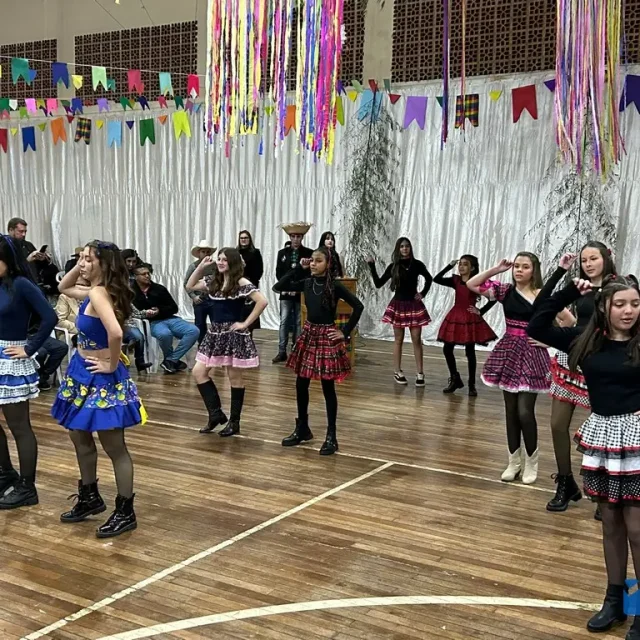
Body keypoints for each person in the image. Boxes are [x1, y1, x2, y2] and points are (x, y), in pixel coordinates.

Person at [528, 274, 640, 639]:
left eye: (635, 304)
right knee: (611, 524)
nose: (628, 311)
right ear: (604, 307)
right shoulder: (585, 340)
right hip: (604, 437)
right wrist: (569, 291)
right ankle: (614, 601)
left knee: (637, 528)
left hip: (637, 439)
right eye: (620, 304)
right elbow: (536, 324)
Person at [52, 241, 145, 538]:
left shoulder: (98, 293)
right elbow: (63, 287)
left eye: (88, 259)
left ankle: (125, 511)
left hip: (100, 377)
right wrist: (81, 266)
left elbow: (116, 332)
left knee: (114, 446)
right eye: (80, 258)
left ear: (104, 264)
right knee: (79, 437)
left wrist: (111, 363)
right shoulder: (95, 290)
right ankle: (90, 496)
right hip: (82, 372)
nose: (82, 263)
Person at [467, 253, 564, 485]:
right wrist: (496, 269)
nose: (519, 270)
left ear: (534, 270)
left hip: (532, 355)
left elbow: (568, 321)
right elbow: (471, 284)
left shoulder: (542, 295)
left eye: (525, 267)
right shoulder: (505, 291)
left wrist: (549, 340)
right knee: (510, 411)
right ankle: (513, 462)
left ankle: (532, 461)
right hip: (508, 352)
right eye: (517, 266)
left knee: (524, 412)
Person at [535, 242, 615, 518]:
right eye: (584, 260)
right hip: (571, 358)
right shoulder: (580, 286)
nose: (588, 264)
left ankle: (604, 492)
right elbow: (541, 304)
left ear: (606, 258)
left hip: (601, 363)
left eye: (593, 258)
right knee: (557, 424)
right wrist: (561, 271)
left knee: (603, 430)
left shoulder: (620, 285)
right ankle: (566, 483)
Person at [274, 246, 363, 455]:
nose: (313, 264)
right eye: (312, 260)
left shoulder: (335, 286)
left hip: (326, 335)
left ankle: (331, 435)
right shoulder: (307, 282)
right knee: (301, 383)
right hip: (309, 334)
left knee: (327, 387)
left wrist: (344, 332)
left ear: (328, 264)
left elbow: (358, 306)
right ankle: (302, 428)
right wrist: (299, 268)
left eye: (318, 261)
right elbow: (279, 286)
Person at [0, 235, 57, 509]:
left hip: (11, 358)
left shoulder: (21, 284)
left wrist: (30, 348)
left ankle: (27, 486)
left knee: (19, 426)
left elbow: (50, 317)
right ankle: (5, 473)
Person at [187, 248, 268, 437]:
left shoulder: (240, 282)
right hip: (215, 333)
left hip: (232, 334)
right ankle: (215, 414)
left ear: (232, 262)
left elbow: (262, 301)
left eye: (224, 259)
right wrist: (201, 266)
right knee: (198, 371)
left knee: (234, 377)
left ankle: (234, 422)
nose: (220, 262)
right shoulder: (214, 281)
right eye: (219, 259)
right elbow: (190, 285)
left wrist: (245, 324)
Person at [367, 237, 432, 387]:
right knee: (398, 339)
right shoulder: (393, 266)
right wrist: (372, 265)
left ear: (410, 248)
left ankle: (420, 373)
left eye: (407, 246)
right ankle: (397, 371)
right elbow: (378, 283)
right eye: (402, 246)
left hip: (414, 305)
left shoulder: (417, 264)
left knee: (416, 338)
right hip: (398, 305)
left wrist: (423, 293)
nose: (404, 249)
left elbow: (429, 279)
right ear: (398, 249)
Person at [434, 255, 497, 396]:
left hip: (469, 318)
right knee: (447, 348)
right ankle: (455, 378)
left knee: (470, 352)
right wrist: (449, 266)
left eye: (465, 264)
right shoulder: (455, 280)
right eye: (460, 264)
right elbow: (436, 279)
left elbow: (493, 298)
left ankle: (471, 385)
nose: (461, 267)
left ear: (472, 268)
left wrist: (481, 311)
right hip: (455, 316)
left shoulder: (477, 282)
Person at [132, 263, 199, 373]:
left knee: (194, 331)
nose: (147, 276)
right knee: (164, 334)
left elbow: (174, 307)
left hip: (169, 318)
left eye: (148, 273)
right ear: (136, 276)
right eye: (143, 274)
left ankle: (171, 360)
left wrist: (159, 310)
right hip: (151, 322)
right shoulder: (131, 292)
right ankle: (172, 361)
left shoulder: (159, 289)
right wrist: (146, 313)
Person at [272, 223, 314, 364]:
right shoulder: (282, 253)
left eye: (298, 236)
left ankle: (296, 351)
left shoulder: (309, 253)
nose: (296, 239)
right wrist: (287, 286)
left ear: (302, 237)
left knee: (298, 322)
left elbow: (309, 274)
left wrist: (297, 284)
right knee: (284, 321)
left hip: (300, 292)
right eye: (293, 236)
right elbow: (279, 274)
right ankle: (281, 351)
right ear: (289, 237)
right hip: (285, 292)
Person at [7, 217, 59, 295]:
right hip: (15, 287)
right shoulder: (5, 247)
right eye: (20, 231)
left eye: (25, 231)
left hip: (34, 283)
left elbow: (39, 266)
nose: (24, 234)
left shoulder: (28, 245)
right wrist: (28, 260)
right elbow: (10, 270)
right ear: (11, 230)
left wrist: (43, 259)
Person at [184, 240, 217, 343]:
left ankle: (215, 344)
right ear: (198, 253)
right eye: (203, 251)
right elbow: (186, 283)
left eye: (207, 252)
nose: (206, 254)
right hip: (200, 299)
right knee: (200, 324)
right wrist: (193, 296)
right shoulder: (193, 266)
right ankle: (201, 345)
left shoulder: (215, 266)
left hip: (213, 298)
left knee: (216, 323)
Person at [237, 230, 264, 335]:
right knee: (238, 314)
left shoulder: (255, 252)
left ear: (249, 239)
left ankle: (249, 337)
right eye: (241, 238)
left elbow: (259, 271)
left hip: (251, 286)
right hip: (237, 287)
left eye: (245, 238)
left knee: (250, 314)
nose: (243, 240)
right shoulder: (236, 252)